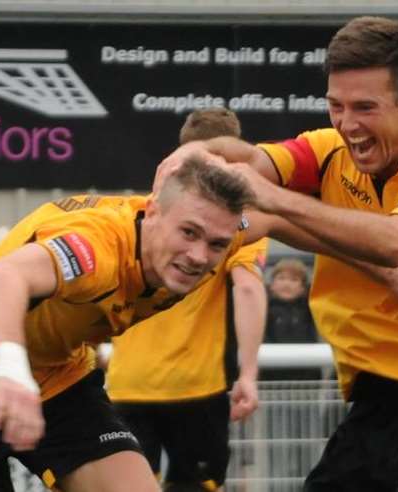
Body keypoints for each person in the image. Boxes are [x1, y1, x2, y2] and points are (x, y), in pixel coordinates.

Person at [159, 16, 398, 491]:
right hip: (377, 403)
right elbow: (250, 162)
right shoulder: (327, 150)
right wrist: (203, 151)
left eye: (365, 107)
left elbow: (395, 242)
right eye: (336, 106)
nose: (348, 125)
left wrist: (273, 201)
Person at [0, 156, 256, 492]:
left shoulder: (223, 228)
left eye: (216, 245)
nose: (198, 256)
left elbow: (289, 214)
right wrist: (11, 369)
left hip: (58, 381)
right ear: (154, 212)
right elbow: (3, 276)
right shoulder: (97, 249)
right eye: (188, 233)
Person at [107, 107, 266, 492]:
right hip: (194, 386)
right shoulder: (233, 226)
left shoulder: (149, 209)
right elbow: (247, 288)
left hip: (126, 382)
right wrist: (248, 373)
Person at [261, 258, 321, 381]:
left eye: (294, 280)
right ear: (271, 285)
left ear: (303, 288)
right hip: (271, 374)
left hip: (306, 374)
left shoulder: (309, 309)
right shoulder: (263, 309)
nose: (286, 284)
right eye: (281, 278)